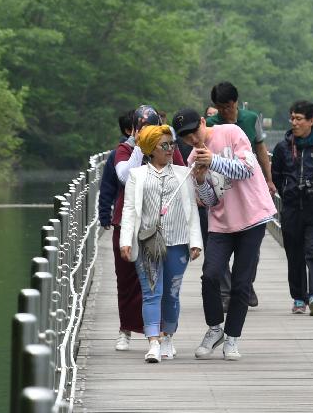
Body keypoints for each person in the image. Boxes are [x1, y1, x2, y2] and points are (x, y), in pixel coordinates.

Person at [172, 108, 276, 361]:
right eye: (185, 138)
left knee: (241, 283)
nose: (193, 140)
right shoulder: (191, 159)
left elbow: (247, 170)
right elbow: (210, 201)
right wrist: (199, 180)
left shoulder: (231, 132)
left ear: (204, 123)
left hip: (252, 217)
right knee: (210, 275)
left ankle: (232, 338)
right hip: (221, 223)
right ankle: (215, 328)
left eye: (195, 132)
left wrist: (213, 161)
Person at [119, 125, 203, 363]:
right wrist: (126, 240)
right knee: (151, 293)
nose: (169, 149)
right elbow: (129, 211)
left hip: (178, 242)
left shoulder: (183, 173)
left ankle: (168, 337)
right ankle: (153, 342)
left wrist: (195, 241)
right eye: (163, 145)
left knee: (172, 294)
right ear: (149, 149)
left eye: (172, 144)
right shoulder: (137, 175)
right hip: (148, 243)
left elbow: (191, 212)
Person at [110, 105, 186, 351]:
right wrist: (138, 145)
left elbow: (181, 175)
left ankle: (160, 334)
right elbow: (124, 176)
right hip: (128, 222)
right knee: (126, 279)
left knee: (157, 283)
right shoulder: (124, 150)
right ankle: (126, 329)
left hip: (161, 226)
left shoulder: (166, 146)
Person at [205, 81, 274, 308]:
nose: (223, 111)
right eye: (219, 107)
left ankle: (245, 284)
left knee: (250, 249)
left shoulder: (250, 119)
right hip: (222, 190)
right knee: (220, 245)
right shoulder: (211, 125)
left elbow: (261, 149)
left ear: (235, 102)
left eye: (227, 106)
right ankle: (227, 294)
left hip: (249, 189)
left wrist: (269, 179)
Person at [271, 100, 313, 316]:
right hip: (291, 209)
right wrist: (287, 192)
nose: (294, 122)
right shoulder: (283, 148)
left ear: (311, 121)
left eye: (299, 119)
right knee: (294, 254)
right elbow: (276, 175)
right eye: (292, 118)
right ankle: (298, 297)